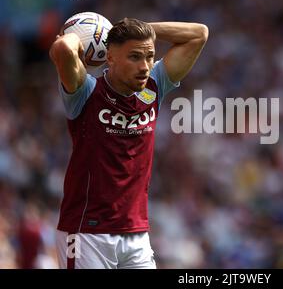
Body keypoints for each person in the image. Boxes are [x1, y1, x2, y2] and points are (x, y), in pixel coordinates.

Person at [49, 17, 208, 269]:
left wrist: (144, 31)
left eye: (149, 56)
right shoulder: (86, 92)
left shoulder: (155, 85)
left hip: (135, 233)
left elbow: (199, 33)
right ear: (109, 57)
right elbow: (63, 49)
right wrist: (84, 36)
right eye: (134, 57)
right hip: (86, 232)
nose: (145, 66)